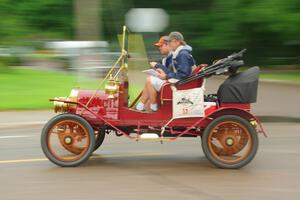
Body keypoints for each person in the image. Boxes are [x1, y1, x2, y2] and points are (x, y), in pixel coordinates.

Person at [136, 32, 195, 112]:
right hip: (180, 83)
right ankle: (141, 106)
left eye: (170, 42)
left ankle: (152, 107)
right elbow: (179, 72)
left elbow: (183, 74)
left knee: (149, 80)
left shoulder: (182, 54)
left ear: (177, 42)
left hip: (180, 85)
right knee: (149, 81)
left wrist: (165, 75)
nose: (169, 44)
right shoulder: (181, 53)